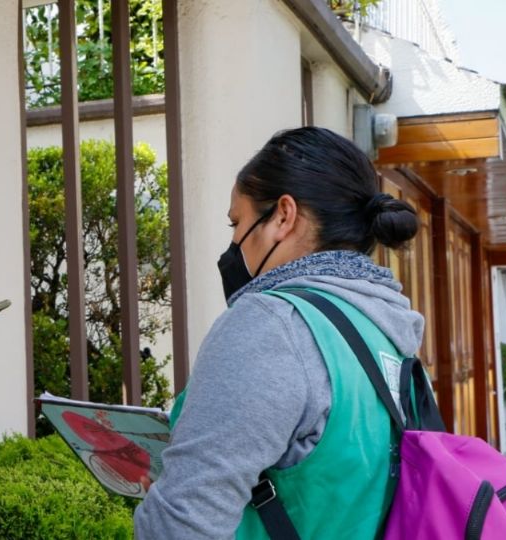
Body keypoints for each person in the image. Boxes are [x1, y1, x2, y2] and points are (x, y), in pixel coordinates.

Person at [133, 127, 423, 539]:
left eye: (237, 221)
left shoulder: (272, 324)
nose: (234, 241)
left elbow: (185, 517)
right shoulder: (383, 327)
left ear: (283, 216)